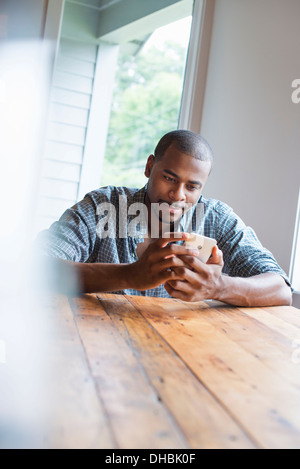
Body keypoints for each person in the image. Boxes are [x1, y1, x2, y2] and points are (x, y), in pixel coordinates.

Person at [36, 130, 292, 306]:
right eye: (169, 178)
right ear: (149, 167)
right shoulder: (103, 206)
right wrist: (130, 275)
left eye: (192, 187)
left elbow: (280, 289)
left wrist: (218, 287)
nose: (177, 195)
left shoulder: (217, 219)